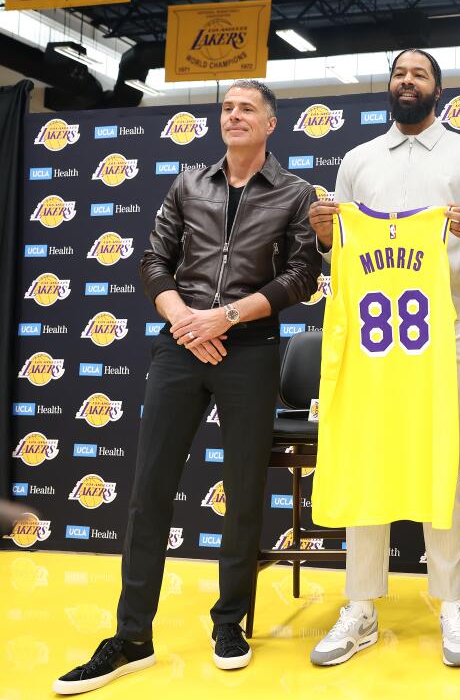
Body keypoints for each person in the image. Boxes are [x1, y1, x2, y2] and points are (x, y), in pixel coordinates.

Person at [54, 80, 320, 694]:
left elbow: (302, 276)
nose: (233, 116)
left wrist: (224, 317)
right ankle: (131, 637)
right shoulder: (187, 183)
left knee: (244, 492)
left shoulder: (295, 193)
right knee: (150, 490)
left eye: (246, 109)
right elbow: (153, 260)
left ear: (271, 124)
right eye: (226, 108)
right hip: (180, 346)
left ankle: (230, 624)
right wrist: (185, 320)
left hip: (249, 349)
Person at [305, 48, 460, 668]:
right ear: (390, 87)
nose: (407, 82)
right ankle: (362, 605)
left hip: (446, 337)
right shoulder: (358, 160)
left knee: (441, 468)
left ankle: (450, 602)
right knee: (368, 467)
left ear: (437, 89)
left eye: (418, 74)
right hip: (371, 346)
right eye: (399, 74)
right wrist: (322, 236)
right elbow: (338, 253)